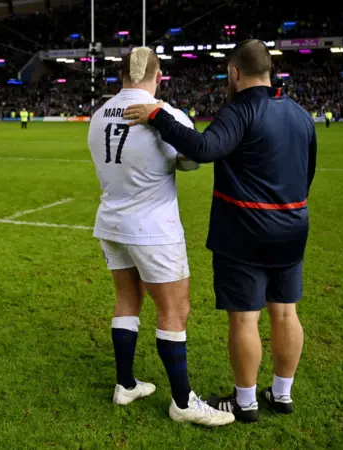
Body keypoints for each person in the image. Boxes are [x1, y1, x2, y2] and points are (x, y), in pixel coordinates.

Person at [123, 39, 317, 423]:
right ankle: (281, 394)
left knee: (246, 318)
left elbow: (204, 147)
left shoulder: (240, 110)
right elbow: (307, 171)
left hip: (246, 230)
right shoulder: (300, 114)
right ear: (270, 71)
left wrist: (157, 115)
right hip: (293, 228)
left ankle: (245, 402)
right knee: (285, 311)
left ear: (234, 73)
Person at [88, 47, 235, 428]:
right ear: (158, 75)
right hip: (153, 227)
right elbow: (192, 159)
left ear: (121, 75)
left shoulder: (98, 114)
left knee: (126, 299)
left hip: (111, 221)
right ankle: (183, 402)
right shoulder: (164, 114)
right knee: (175, 309)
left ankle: (125, 384)